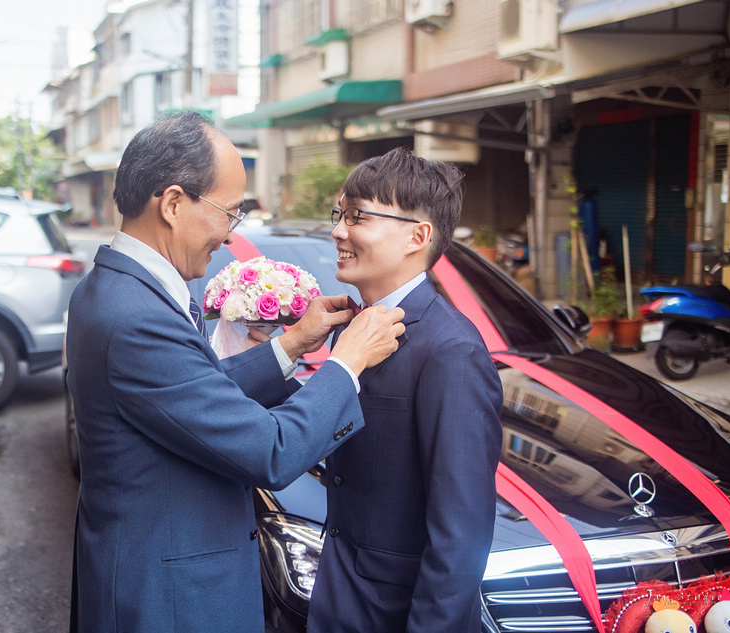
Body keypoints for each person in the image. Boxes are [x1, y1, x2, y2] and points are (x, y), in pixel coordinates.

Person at [65, 110, 406, 633]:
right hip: (168, 598)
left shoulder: (120, 287)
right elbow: (269, 451)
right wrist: (347, 361)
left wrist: (291, 343)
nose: (229, 234)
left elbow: (192, 395)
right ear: (174, 203)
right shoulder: (135, 316)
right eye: (230, 213)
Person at [307, 147, 503, 633]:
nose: (338, 231)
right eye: (340, 215)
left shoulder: (450, 349)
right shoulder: (351, 330)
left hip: (395, 614)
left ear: (418, 236)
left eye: (357, 217)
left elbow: (461, 533)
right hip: (340, 596)